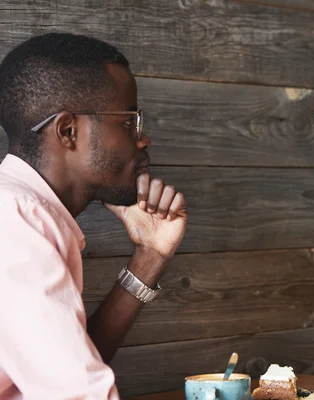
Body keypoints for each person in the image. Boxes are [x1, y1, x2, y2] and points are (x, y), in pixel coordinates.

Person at [0, 33, 187, 398]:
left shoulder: (24, 215)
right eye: (128, 121)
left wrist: (150, 257)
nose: (143, 138)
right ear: (68, 130)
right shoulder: (15, 220)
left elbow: (67, 370)